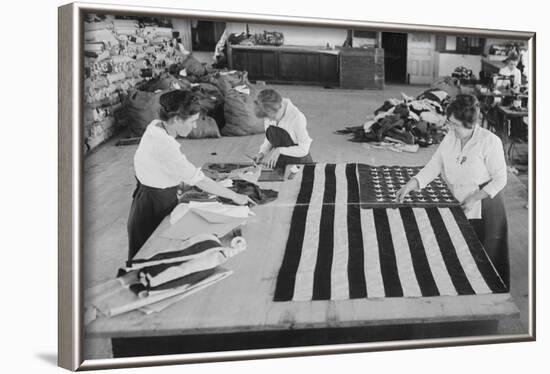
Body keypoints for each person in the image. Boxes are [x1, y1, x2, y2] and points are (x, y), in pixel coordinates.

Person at [395, 94, 510, 288]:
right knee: (460, 249)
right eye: (449, 123)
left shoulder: (490, 142)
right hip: (459, 199)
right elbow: (435, 165)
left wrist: (474, 198)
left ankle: (487, 296)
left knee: (485, 253)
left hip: (484, 204)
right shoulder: (451, 137)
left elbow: (501, 179)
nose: (450, 128)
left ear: (471, 123)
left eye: (455, 124)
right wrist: (412, 183)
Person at [127, 90, 254, 260]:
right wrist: (236, 197)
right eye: (193, 121)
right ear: (177, 119)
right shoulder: (164, 146)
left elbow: (161, 169)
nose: (195, 126)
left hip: (151, 197)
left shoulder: (157, 125)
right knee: (150, 257)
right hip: (153, 207)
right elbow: (200, 180)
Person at [252, 89, 313, 170]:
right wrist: (262, 152)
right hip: (280, 163)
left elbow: (304, 149)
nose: (269, 120)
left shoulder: (297, 118)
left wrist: (280, 150)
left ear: (280, 106)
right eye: (266, 118)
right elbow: (271, 137)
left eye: (272, 117)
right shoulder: (268, 110)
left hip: (299, 165)